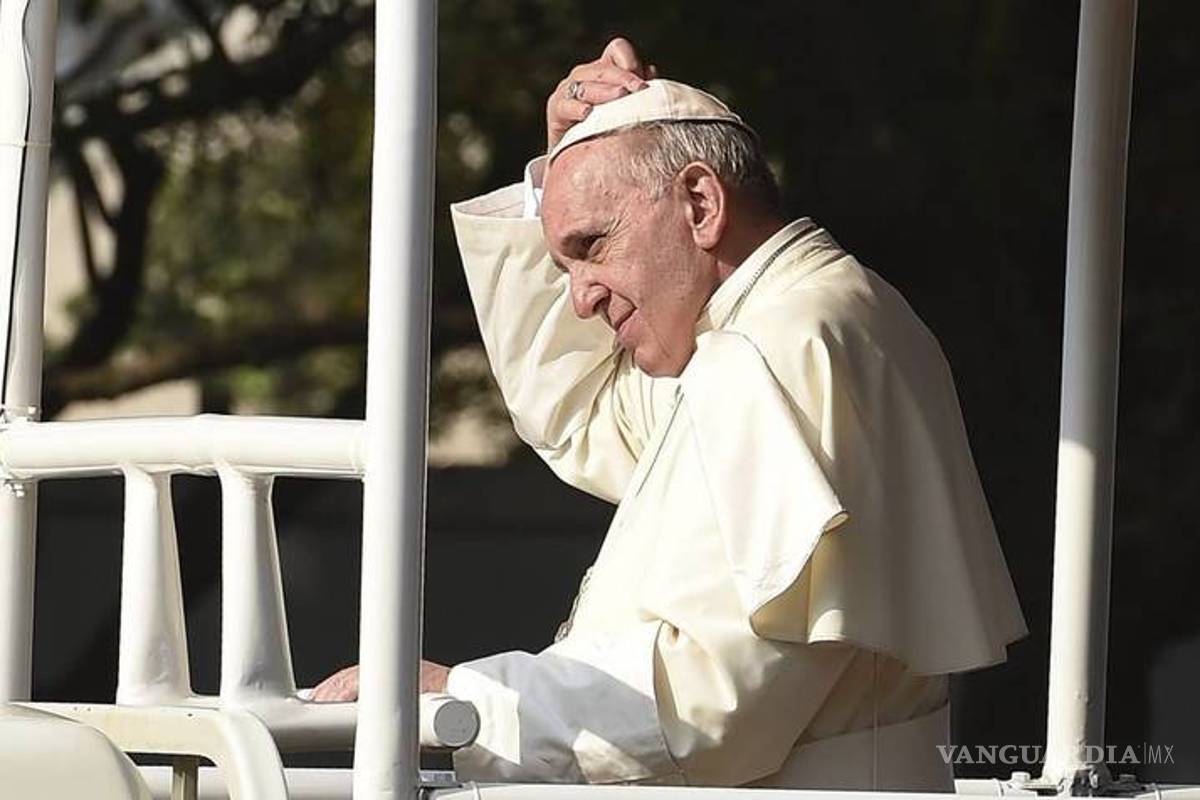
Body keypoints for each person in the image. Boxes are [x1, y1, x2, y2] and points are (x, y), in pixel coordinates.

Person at [315, 38, 1028, 789]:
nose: (580, 298)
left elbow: (706, 704)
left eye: (593, 245)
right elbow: (582, 413)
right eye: (564, 266)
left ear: (700, 204)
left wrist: (462, 700)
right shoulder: (823, 311)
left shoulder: (766, 348)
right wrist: (558, 173)